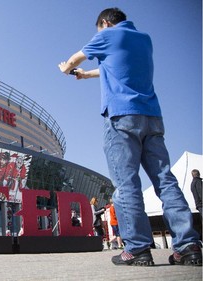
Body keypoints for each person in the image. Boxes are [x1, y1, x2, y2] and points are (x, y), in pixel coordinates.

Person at [58, 7, 202, 266]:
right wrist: (86, 76)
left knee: (126, 185)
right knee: (165, 182)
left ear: (104, 23)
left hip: (122, 118)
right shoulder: (143, 39)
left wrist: (66, 68)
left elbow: (74, 59)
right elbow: (112, 68)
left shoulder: (107, 35)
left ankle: (137, 249)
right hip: (152, 118)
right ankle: (188, 246)